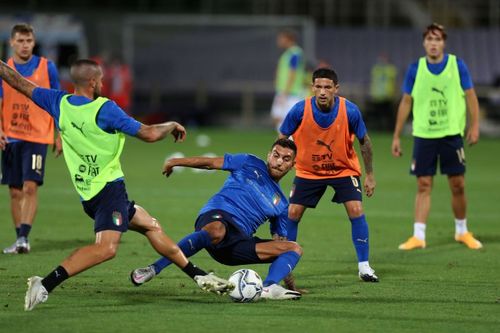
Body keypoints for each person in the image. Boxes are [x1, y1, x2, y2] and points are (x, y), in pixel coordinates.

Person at [0, 58, 233, 311]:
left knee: (151, 226)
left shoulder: (59, 102)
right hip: (108, 190)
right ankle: (44, 284)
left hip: (89, 194)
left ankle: (198, 275)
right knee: (106, 249)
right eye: (100, 80)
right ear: (92, 82)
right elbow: (149, 133)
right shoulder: (105, 109)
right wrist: (171, 125)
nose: (102, 84)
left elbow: (19, 82)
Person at [131, 138, 303, 300]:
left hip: (236, 243)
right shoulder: (249, 162)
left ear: (293, 165)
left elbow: (279, 243)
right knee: (217, 230)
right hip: (218, 215)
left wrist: (290, 283)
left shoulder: (281, 204)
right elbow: (211, 163)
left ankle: (269, 287)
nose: (279, 162)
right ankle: (153, 268)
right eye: (276, 155)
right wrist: (175, 161)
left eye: (286, 159)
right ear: (269, 155)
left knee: (294, 248)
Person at [278, 67, 378, 286]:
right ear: (312, 87)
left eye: (327, 87)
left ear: (336, 89)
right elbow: (282, 137)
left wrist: (369, 174)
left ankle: (364, 267)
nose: (322, 92)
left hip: (343, 169)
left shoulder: (350, 111)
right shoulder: (299, 110)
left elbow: (365, 142)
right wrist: (281, 163)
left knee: (356, 209)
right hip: (308, 170)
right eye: (318, 87)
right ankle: (285, 266)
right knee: (292, 213)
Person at [392, 23, 482, 250]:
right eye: (430, 39)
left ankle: (462, 231)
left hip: (451, 133)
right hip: (424, 134)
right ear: (424, 42)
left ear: (444, 43)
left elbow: (471, 96)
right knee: (423, 184)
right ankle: (418, 236)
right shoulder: (415, 68)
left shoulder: (457, 65)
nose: (434, 43)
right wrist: (396, 135)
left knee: (458, 184)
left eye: (438, 39)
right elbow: (406, 101)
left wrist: (475, 125)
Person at [0, 23, 62, 254]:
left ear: (33, 42)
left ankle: (24, 237)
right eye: (20, 41)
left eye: (29, 41)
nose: (25, 45)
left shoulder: (47, 68)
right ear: (12, 42)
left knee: (30, 187)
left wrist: (60, 134)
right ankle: (19, 240)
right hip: (11, 137)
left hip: (37, 136)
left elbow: (58, 102)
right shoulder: (4, 69)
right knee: (14, 191)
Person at [271, 29, 306, 131]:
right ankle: (284, 143)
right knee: (277, 117)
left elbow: (293, 73)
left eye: (281, 38)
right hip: (284, 91)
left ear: (288, 39)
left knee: (286, 119)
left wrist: (285, 92)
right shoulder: (288, 53)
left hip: (291, 93)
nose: (279, 41)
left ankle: (287, 144)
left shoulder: (295, 53)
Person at [368, 53, 398, 130]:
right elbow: (373, 82)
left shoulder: (390, 69)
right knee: (379, 115)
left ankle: (389, 129)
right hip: (377, 96)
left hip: (387, 96)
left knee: (388, 115)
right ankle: (379, 129)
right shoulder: (376, 69)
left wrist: (394, 94)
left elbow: (394, 83)